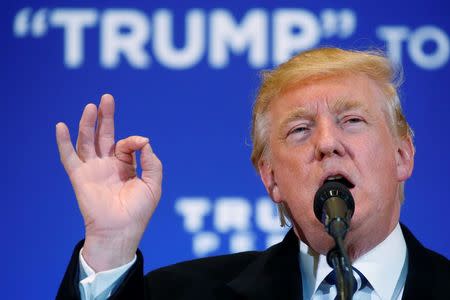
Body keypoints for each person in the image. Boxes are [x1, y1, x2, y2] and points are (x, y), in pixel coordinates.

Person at [56, 47, 449, 300]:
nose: (327, 143)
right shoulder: (179, 294)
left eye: (352, 120)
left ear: (402, 155)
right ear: (271, 178)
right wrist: (109, 247)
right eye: (300, 129)